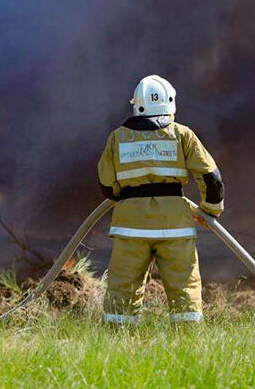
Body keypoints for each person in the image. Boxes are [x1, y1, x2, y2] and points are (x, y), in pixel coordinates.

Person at [97, 75, 224, 324]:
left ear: (137, 104)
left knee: (122, 288)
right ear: (170, 103)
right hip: (175, 225)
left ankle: (116, 346)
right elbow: (210, 176)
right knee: (184, 288)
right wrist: (210, 210)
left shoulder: (118, 137)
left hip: (130, 226)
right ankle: (189, 345)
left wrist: (125, 198)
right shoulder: (182, 135)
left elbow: (105, 181)